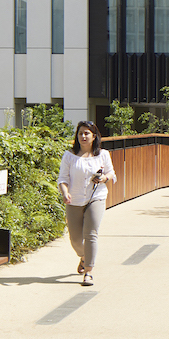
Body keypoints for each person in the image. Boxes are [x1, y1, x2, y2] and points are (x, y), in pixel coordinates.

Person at [56, 121, 116, 287]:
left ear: (94, 136)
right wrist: (65, 192)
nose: (83, 136)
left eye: (86, 133)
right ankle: (83, 256)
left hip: (96, 197)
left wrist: (104, 178)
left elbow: (111, 173)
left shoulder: (103, 154)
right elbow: (62, 178)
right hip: (74, 200)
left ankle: (88, 271)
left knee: (91, 234)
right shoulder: (69, 156)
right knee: (75, 239)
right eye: (80, 133)